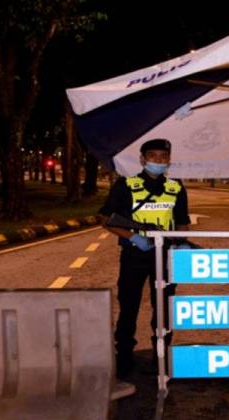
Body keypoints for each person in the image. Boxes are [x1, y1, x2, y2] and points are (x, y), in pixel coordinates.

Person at [99, 138, 190, 379]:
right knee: (129, 305)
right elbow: (106, 219)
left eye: (163, 157)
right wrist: (134, 237)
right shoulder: (126, 185)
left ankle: (161, 354)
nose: (158, 161)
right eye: (153, 156)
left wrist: (180, 244)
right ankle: (125, 356)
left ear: (169, 160)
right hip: (134, 254)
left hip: (165, 256)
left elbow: (182, 223)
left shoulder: (176, 188)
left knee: (164, 308)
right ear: (142, 159)